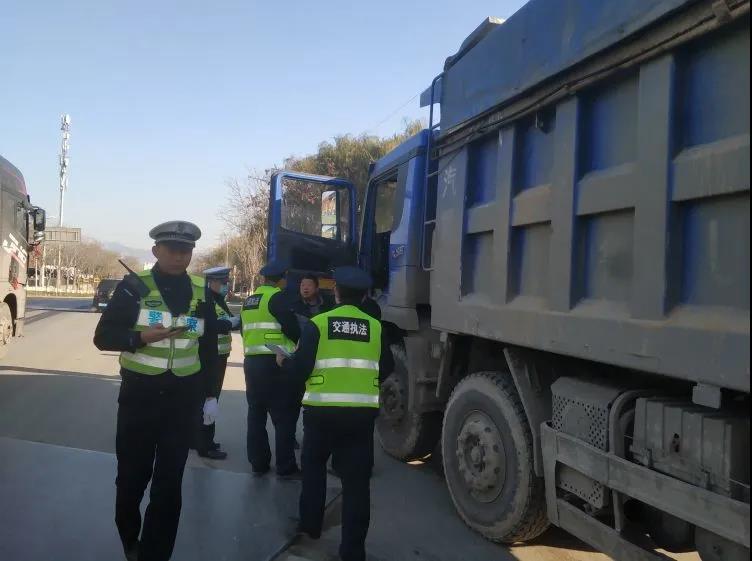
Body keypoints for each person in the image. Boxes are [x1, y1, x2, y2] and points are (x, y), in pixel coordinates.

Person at [93, 221, 219, 561]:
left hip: (183, 400)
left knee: (169, 484)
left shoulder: (201, 290)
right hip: (140, 398)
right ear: (156, 251)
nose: (179, 256)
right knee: (132, 479)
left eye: (186, 250)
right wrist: (139, 338)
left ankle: (155, 553)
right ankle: (129, 538)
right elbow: (103, 337)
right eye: (172, 249)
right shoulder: (134, 288)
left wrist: (211, 395)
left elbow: (209, 347)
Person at [277, 266, 394, 561]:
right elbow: (387, 367)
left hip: (321, 412)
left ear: (336, 292)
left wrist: (284, 362)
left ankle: (311, 525)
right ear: (365, 296)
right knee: (357, 483)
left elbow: (301, 368)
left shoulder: (318, 324)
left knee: (313, 469)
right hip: (360, 416)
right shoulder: (375, 327)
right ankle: (353, 550)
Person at [241, 261, 301, 478]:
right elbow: (292, 328)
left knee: (256, 413)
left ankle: (258, 463)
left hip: (252, 362)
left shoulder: (249, 301)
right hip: (275, 362)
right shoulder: (277, 298)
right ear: (281, 279)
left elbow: (244, 330)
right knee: (283, 415)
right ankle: (285, 466)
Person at [194, 266, 240, 460]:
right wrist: (229, 323)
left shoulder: (218, 300)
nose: (226, 286)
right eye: (223, 282)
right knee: (210, 399)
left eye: (226, 282)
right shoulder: (205, 301)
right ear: (211, 282)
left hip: (219, 356)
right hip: (209, 357)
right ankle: (205, 445)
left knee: (206, 399)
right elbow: (204, 326)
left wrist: (234, 322)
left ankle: (198, 439)